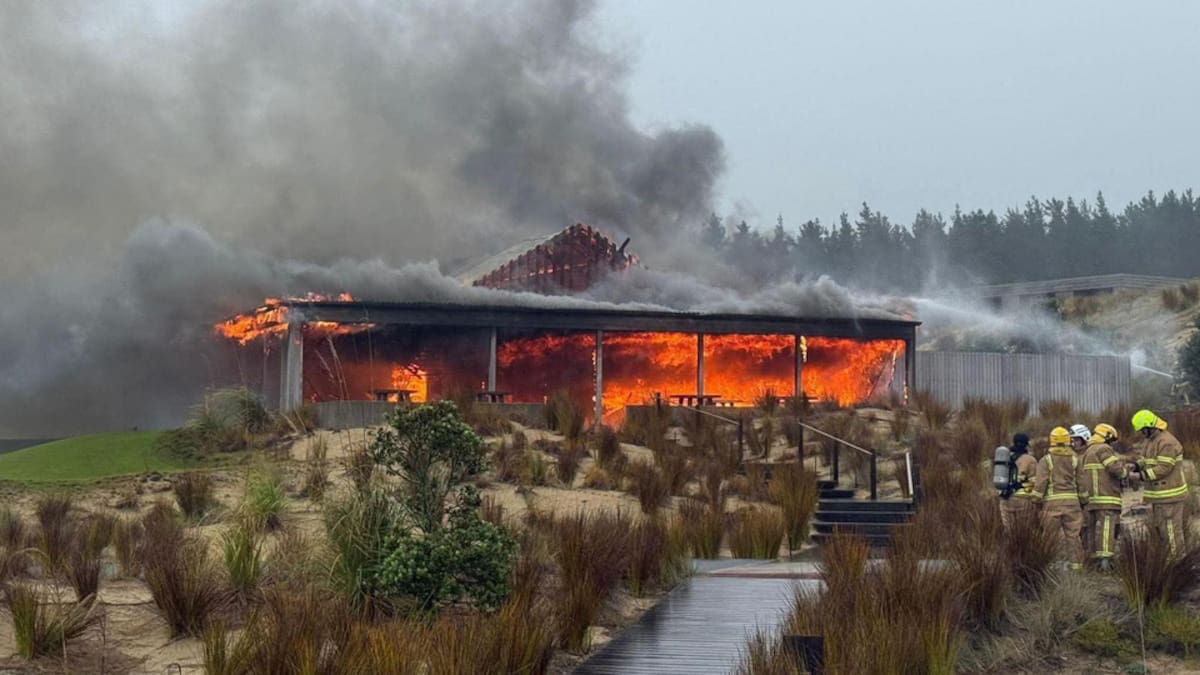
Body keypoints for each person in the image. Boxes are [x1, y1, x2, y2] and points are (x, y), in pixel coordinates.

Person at [1129, 409, 1188, 555]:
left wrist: (1140, 476)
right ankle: (1167, 559)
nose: (1142, 434)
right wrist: (1136, 466)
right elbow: (1147, 460)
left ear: (1150, 427)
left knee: (1171, 532)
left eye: (1143, 430)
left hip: (1169, 495)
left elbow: (1164, 468)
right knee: (1162, 531)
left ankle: (1177, 560)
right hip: (1159, 496)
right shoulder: (1151, 441)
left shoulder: (1167, 442)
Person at [1034, 426, 1086, 570]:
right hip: (1072, 504)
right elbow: (1082, 483)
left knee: (1050, 537)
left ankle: (1051, 565)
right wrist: (1083, 500)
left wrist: (1036, 499)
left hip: (1052, 504)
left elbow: (1041, 483)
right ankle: (1077, 567)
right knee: (1074, 535)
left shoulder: (1046, 460)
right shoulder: (1075, 459)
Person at [1081, 423, 1127, 570]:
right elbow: (1116, 469)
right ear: (1107, 437)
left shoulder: (1088, 451)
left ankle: (1092, 560)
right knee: (1107, 528)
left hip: (1091, 499)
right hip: (1107, 497)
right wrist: (1125, 472)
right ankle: (1105, 563)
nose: (1111, 443)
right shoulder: (1104, 449)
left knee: (1092, 530)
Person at [999, 433, 1039, 526]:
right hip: (1023, 500)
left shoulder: (1004, 458)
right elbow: (1035, 482)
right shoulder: (1030, 460)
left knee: (1009, 529)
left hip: (1005, 499)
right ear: (1026, 445)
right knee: (1025, 529)